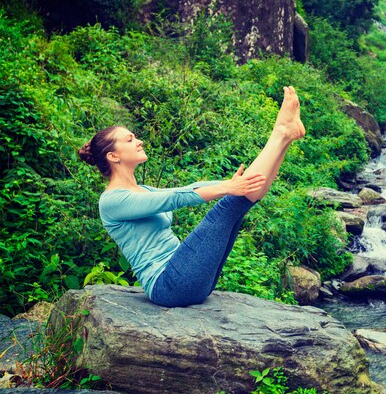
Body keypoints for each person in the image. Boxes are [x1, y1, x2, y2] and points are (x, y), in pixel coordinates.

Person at [78, 86, 305, 307]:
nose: (139, 141)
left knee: (240, 197)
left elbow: (189, 187)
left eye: (135, 137)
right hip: (168, 285)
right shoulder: (111, 201)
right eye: (129, 140)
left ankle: (285, 138)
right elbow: (176, 198)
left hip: (186, 278)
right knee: (229, 203)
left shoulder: (144, 190)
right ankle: (281, 132)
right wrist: (228, 187)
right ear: (113, 156)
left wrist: (232, 184)